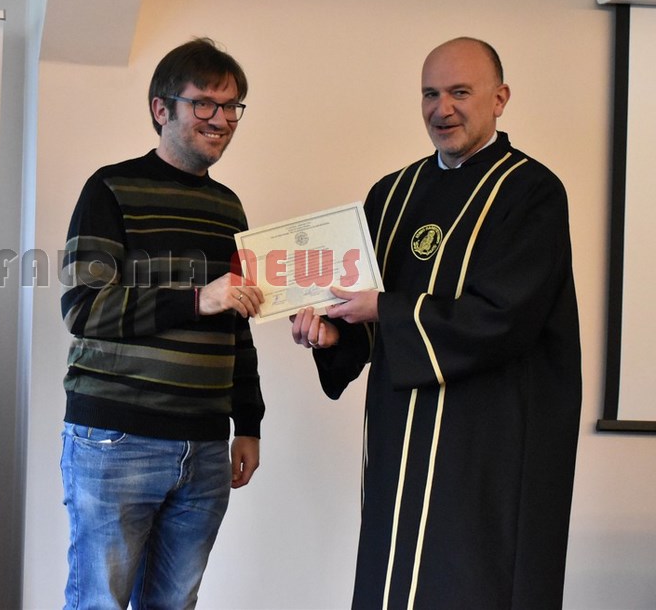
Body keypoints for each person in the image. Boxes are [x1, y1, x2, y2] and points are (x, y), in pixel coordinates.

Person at [291, 37, 581, 609]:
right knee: (394, 576)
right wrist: (334, 334)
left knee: (471, 580)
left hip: (489, 441)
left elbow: (505, 317)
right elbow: (367, 314)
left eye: (459, 92)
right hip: (401, 434)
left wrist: (383, 310)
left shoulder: (531, 192)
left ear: (500, 99)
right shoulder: (392, 194)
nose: (441, 109)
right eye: (430, 94)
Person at [59, 37, 265, 609]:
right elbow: (83, 307)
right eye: (204, 103)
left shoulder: (229, 207)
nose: (221, 119)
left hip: (205, 446)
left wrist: (248, 422)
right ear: (161, 108)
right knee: (99, 602)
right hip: (116, 439)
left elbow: (237, 321)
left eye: (232, 106)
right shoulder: (110, 188)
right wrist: (197, 299)